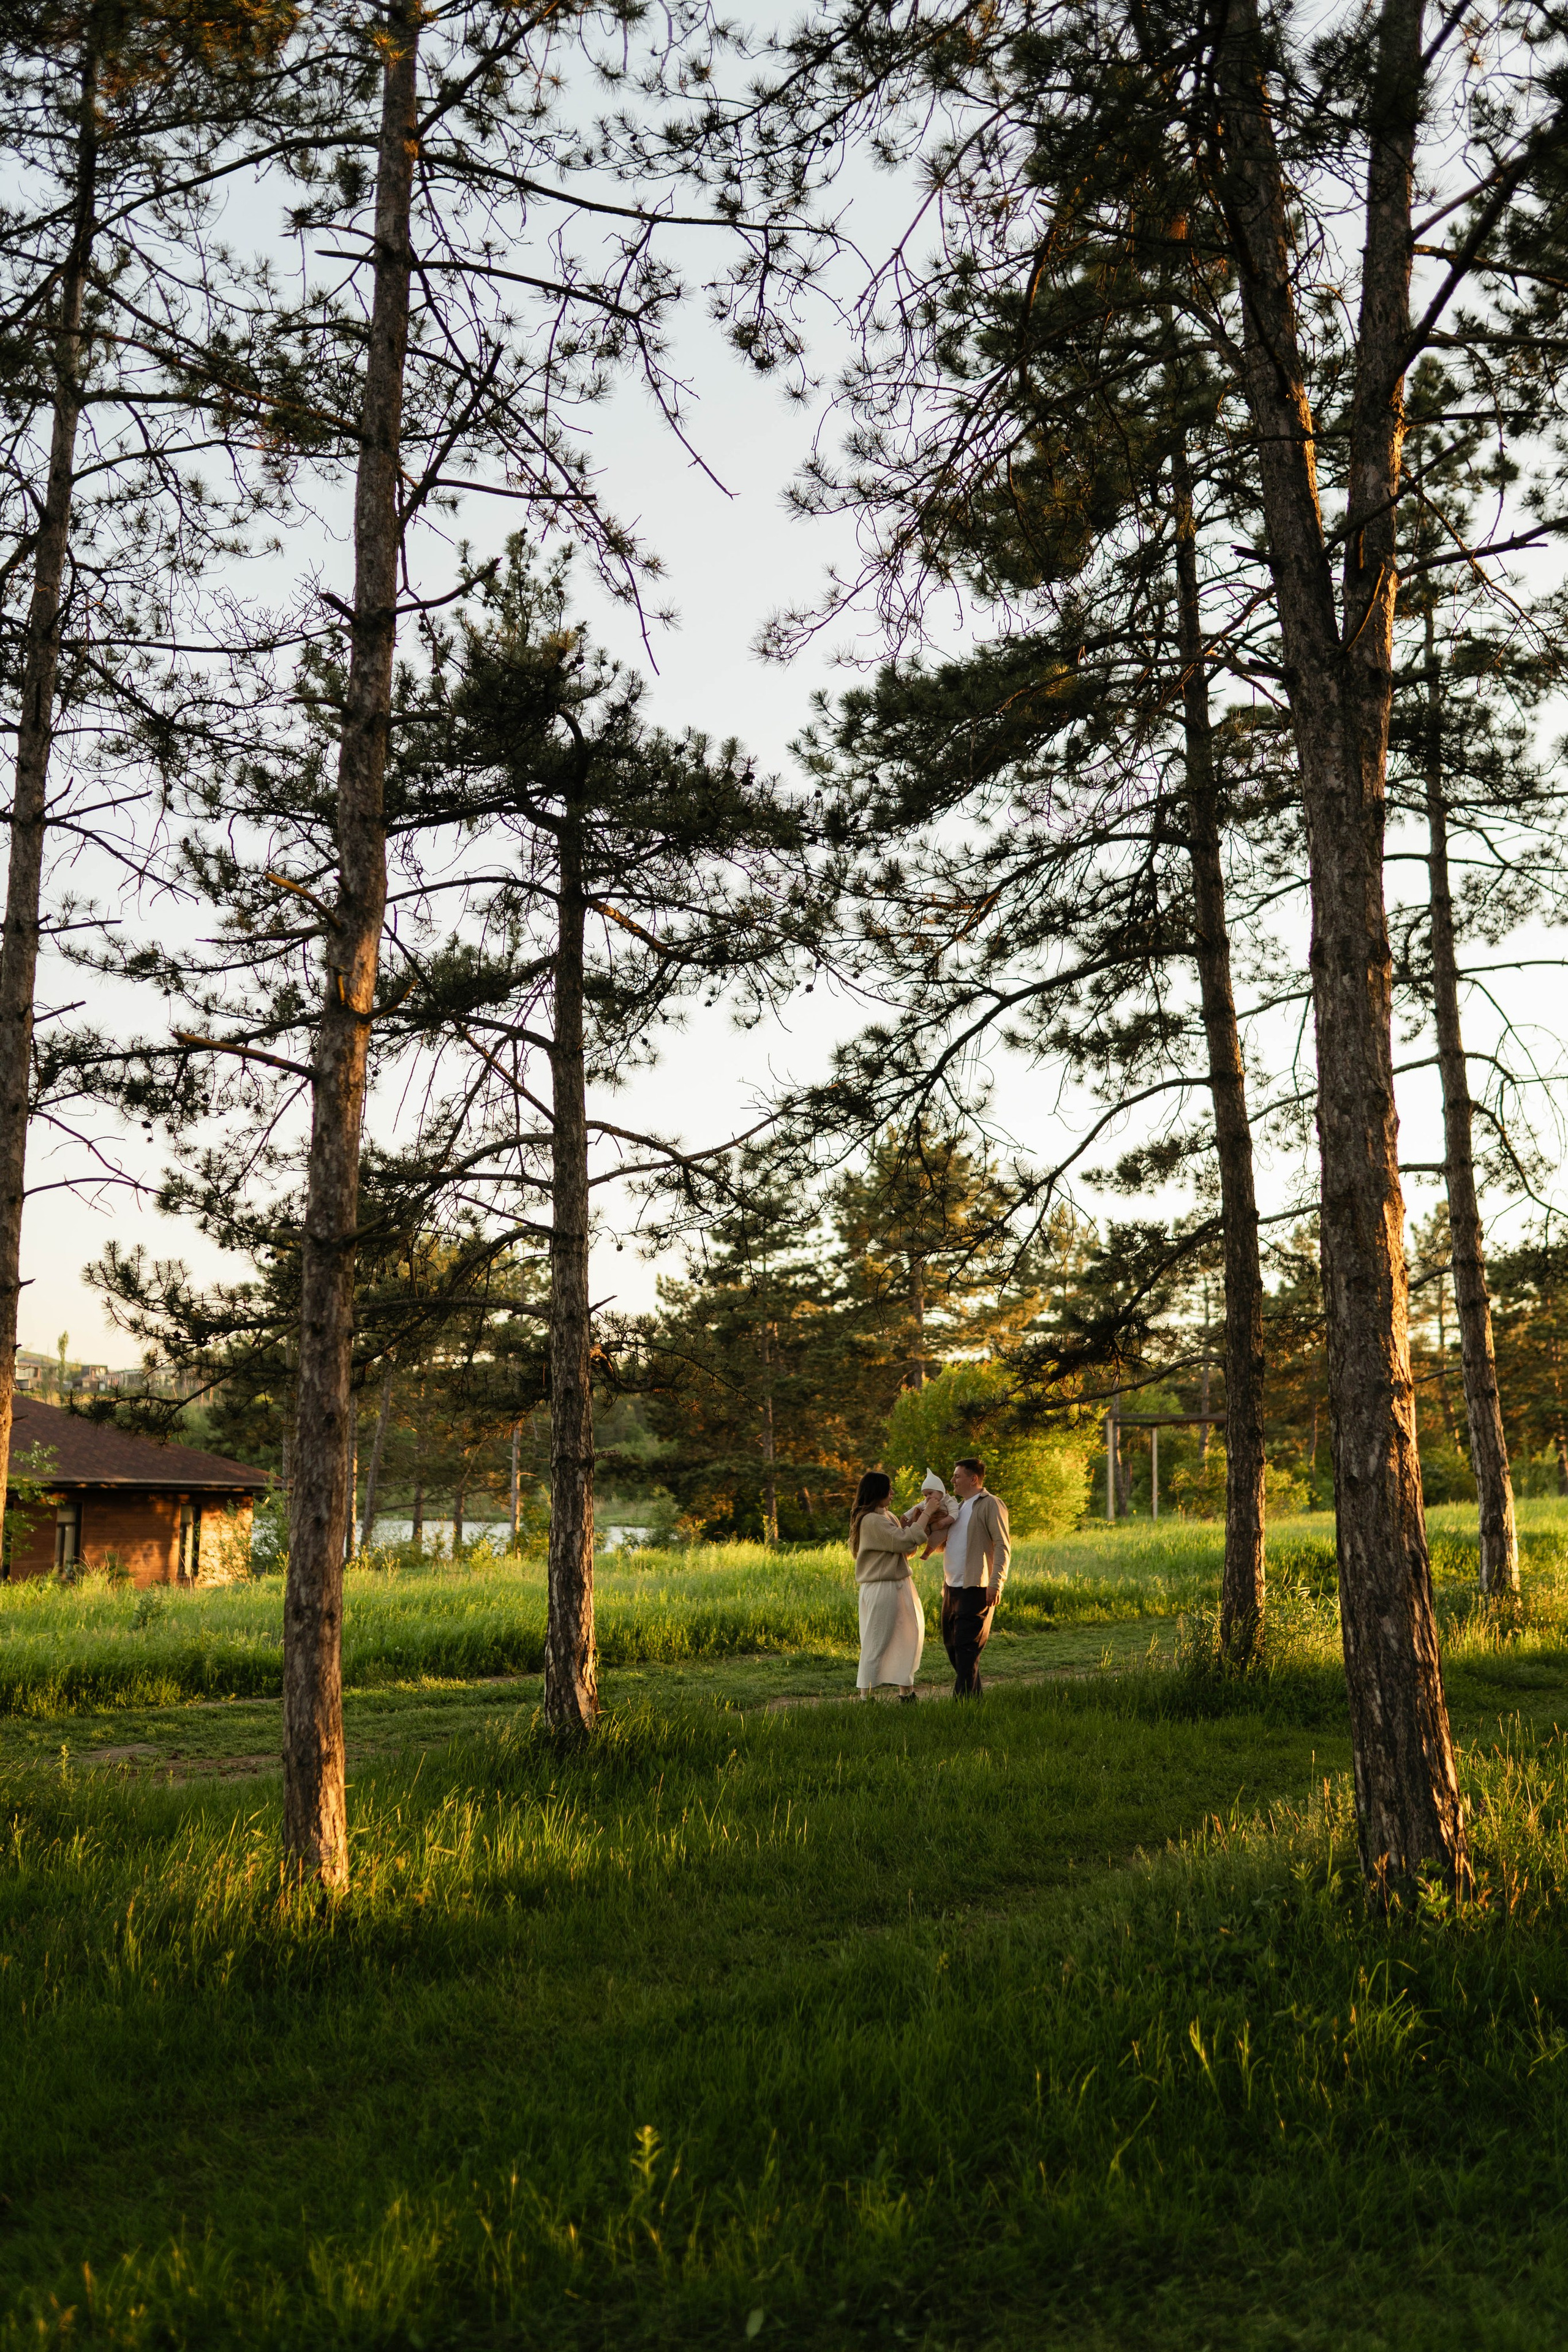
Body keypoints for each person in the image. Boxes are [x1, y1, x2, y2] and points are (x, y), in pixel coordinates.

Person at [850, 1470, 934, 1702]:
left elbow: (907, 1549)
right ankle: (866, 1697)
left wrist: (914, 1524)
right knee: (877, 1640)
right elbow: (905, 1540)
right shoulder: (871, 1521)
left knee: (909, 1637)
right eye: (889, 1489)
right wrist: (927, 1513)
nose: (893, 1493)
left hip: (899, 1583)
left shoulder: (887, 1516)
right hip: (882, 1586)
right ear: (878, 1492)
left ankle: (906, 1693)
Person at [937, 1456, 1010, 1698]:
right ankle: (974, 1699)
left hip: (976, 1587)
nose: (952, 1480)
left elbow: (1002, 1545)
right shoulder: (959, 1507)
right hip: (952, 1587)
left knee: (967, 1648)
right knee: (952, 1646)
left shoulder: (991, 1504)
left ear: (974, 1479)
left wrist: (996, 1582)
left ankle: (963, 1706)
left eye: (957, 1476)